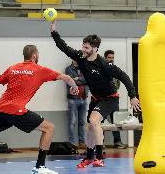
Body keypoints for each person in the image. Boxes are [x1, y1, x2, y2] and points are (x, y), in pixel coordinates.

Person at [0, 45, 79, 174]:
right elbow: (66, 77)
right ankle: (40, 166)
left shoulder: (13, 68)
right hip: (16, 110)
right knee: (49, 128)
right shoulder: (40, 70)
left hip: (1, 109)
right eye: (38, 54)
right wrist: (75, 87)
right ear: (34, 55)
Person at [50, 21, 140, 168]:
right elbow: (63, 47)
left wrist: (132, 95)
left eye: (86, 47)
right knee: (89, 128)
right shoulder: (80, 57)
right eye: (83, 46)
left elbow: (123, 76)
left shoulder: (104, 64)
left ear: (95, 48)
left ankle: (100, 157)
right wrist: (54, 31)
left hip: (110, 99)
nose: (83, 49)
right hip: (96, 99)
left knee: (94, 120)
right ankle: (89, 157)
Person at [103, 50, 126, 149]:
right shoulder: (101, 69)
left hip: (113, 100)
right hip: (103, 99)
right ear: (105, 58)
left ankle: (117, 142)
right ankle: (100, 143)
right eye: (109, 58)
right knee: (101, 122)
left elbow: (118, 83)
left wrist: (114, 92)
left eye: (112, 58)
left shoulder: (115, 69)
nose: (111, 59)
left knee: (115, 121)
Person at [65, 60, 88, 149]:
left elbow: (87, 79)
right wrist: (81, 80)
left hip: (83, 98)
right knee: (72, 122)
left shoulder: (85, 68)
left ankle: (82, 142)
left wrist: (78, 78)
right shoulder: (68, 69)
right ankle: (72, 143)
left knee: (82, 122)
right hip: (73, 99)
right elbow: (71, 81)